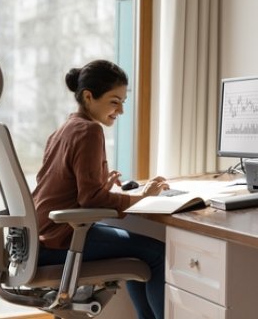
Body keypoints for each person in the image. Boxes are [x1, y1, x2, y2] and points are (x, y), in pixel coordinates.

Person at [32, 59, 168, 319]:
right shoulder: (90, 130)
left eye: (123, 102)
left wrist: (102, 187)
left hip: (42, 237)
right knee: (158, 255)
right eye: (114, 101)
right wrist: (141, 196)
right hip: (62, 239)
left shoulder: (64, 129)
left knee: (142, 259)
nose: (121, 111)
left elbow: (73, 191)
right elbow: (90, 198)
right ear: (88, 96)